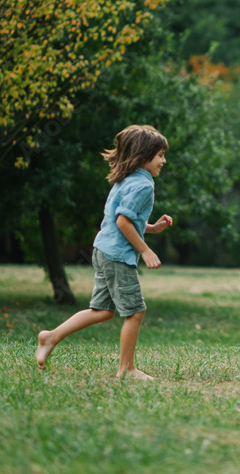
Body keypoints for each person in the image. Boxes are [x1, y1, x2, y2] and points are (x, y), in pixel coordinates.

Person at [36, 124, 173, 380]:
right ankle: (127, 370)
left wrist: (153, 228)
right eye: (160, 155)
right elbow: (123, 222)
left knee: (102, 310)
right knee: (135, 312)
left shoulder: (126, 180)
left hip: (103, 250)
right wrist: (145, 250)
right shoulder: (143, 186)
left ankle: (50, 337)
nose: (163, 161)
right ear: (143, 156)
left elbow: (124, 219)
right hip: (117, 256)